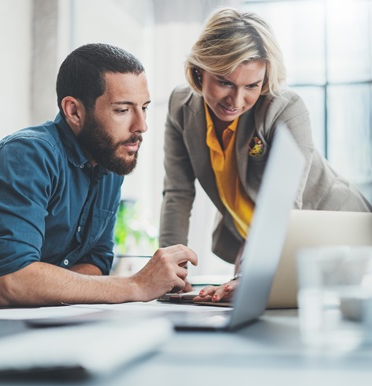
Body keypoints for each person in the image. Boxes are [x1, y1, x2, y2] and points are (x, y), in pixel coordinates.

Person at [0, 43, 197, 311]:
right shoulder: (26, 154)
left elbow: (97, 263)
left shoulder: (109, 161)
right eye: (122, 110)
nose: (141, 125)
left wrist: (35, 283)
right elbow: (13, 283)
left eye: (143, 107)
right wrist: (136, 285)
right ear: (74, 111)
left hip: (29, 320)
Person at [158, 7, 371, 304]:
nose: (236, 100)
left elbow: (283, 209)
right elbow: (177, 194)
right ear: (199, 70)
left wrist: (248, 275)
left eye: (252, 86)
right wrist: (169, 272)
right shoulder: (180, 107)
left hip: (336, 234)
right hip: (259, 241)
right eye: (224, 82)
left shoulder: (284, 109)